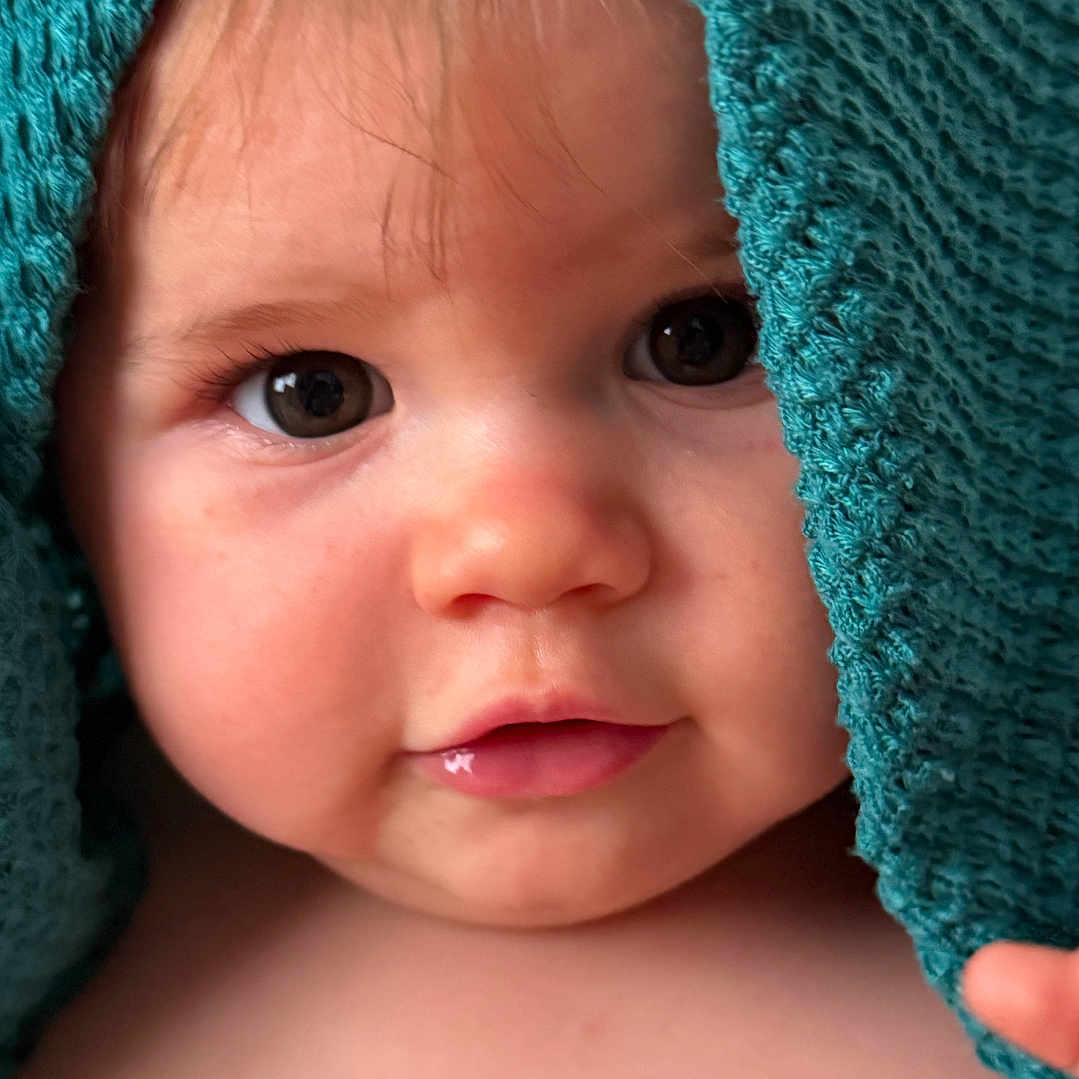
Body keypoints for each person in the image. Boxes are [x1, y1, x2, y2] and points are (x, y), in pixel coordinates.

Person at [1, 0, 1074, 1075]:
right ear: (58, 456)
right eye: (311, 396)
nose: (524, 550)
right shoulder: (51, 952)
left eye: (698, 342)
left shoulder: (1041, 971)